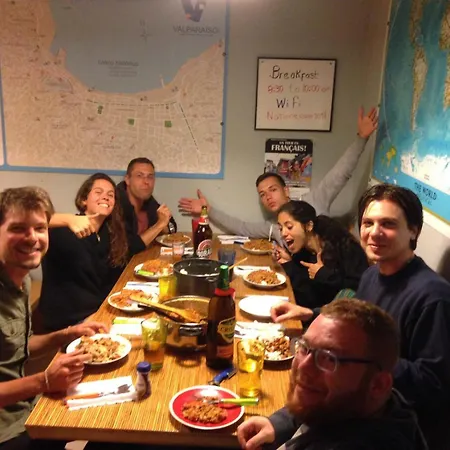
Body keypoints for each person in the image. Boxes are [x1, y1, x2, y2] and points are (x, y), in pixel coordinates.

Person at [271, 183, 450, 450]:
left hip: (387, 430)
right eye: (368, 223)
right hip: (351, 403)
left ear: (414, 230)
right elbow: (354, 322)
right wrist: (311, 313)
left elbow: (434, 384)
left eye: (388, 224)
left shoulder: (433, 297)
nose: (374, 232)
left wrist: (359, 358)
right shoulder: (372, 275)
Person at [237, 299, 426, 450]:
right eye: (304, 347)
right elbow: (322, 401)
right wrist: (279, 424)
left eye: (329, 358)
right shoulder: (361, 406)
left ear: (378, 385)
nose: (303, 366)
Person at [0, 186, 107, 449]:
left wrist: (66, 334)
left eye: (40, 228)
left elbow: (18, 346)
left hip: (26, 406)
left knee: (111, 418)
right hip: (7, 431)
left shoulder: (21, 280)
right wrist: (44, 381)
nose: (32, 238)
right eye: (18, 228)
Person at [178, 107, 378, 244]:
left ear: (286, 190)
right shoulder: (274, 228)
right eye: (262, 194)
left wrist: (361, 138)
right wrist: (208, 210)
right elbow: (242, 228)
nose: (268, 197)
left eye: (272, 190)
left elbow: (339, 174)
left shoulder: (313, 201)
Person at [39, 173, 129, 331]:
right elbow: (28, 221)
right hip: (66, 322)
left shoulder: (108, 235)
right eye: (98, 192)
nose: (105, 197)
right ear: (83, 200)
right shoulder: (63, 231)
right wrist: (68, 219)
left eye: (110, 195)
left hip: (97, 313)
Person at [275, 200, 368, 309]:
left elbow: (358, 287)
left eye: (289, 227)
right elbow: (306, 298)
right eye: (280, 229)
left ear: (309, 226)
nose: (283, 234)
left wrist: (323, 274)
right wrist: (289, 263)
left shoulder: (343, 245)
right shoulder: (301, 253)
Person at [117, 158, 176, 254]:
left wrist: (164, 226)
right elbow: (127, 249)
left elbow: (172, 227)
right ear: (127, 179)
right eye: (139, 176)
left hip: (146, 257)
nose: (146, 182)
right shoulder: (116, 205)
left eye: (150, 177)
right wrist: (159, 225)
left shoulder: (149, 201)